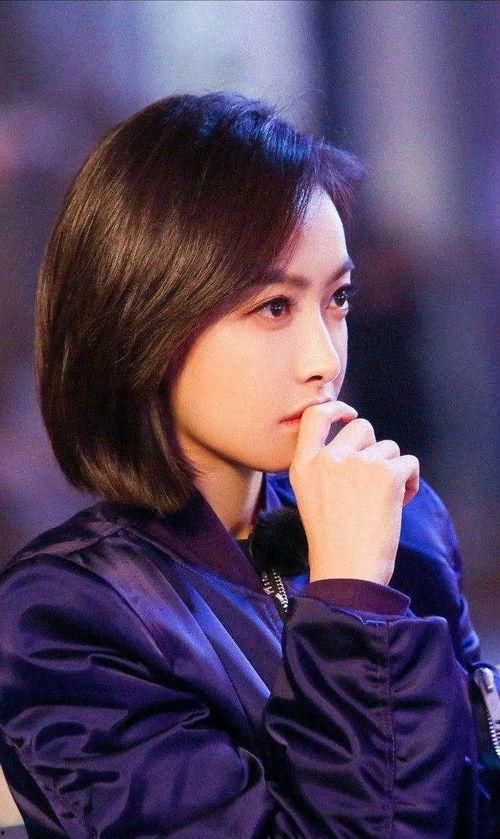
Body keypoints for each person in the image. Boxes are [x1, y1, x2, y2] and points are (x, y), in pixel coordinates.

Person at [0, 91, 496, 838]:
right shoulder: (66, 616)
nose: (323, 360)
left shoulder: (404, 522)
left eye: (338, 299)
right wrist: (352, 595)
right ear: (144, 318)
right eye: (273, 307)